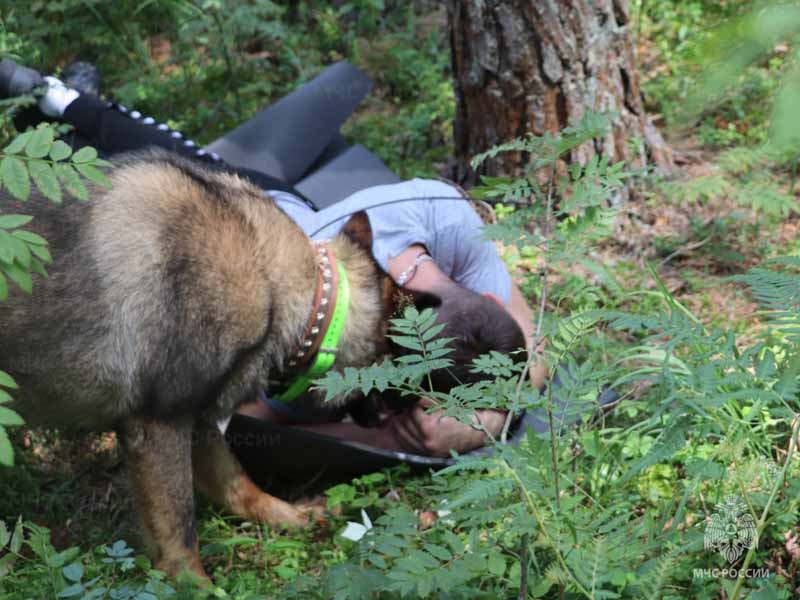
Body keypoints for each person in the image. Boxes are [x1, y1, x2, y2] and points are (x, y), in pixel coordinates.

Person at [28, 64, 547, 457]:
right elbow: (245, 419)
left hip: (283, 242)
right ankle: (63, 100)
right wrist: (431, 431)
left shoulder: (442, 231)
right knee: (168, 162)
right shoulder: (308, 298)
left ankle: (65, 124)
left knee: (104, 179)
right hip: (254, 214)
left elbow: (531, 340)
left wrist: (478, 418)